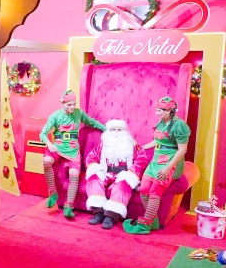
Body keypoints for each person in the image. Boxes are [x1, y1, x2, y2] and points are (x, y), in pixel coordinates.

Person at [124, 96, 190, 234]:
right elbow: (158, 141)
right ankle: (152, 221)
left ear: (169, 111)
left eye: (159, 110)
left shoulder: (180, 126)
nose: (157, 113)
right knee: (144, 189)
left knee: (155, 192)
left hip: (170, 164)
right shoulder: (162, 122)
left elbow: (182, 150)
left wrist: (167, 169)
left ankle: (145, 225)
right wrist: (142, 147)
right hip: (156, 161)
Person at [41, 89, 104, 220]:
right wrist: (49, 143)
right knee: (46, 161)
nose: (72, 107)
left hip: (73, 150)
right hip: (57, 147)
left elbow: (91, 122)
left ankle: (68, 207)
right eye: (69, 105)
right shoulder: (55, 116)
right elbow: (42, 134)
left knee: (74, 176)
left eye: (74, 104)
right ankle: (53, 193)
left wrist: (107, 129)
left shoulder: (78, 113)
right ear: (62, 103)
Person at [83, 119, 150, 229]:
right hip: (106, 172)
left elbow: (141, 161)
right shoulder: (103, 144)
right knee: (94, 179)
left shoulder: (133, 145)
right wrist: (97, 170)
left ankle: (111, 216)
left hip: (124, 174)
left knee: (122, 186)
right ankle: (98, 212)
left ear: (125, 131)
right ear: (109, 131)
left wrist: (129, 174)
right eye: (113, 130)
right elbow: (91, 157)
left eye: (119, 130)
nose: (116, 132)